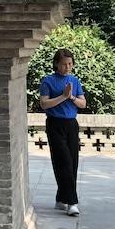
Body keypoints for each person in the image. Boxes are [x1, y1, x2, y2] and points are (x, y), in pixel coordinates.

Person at [38, 48, 85, 216]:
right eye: (64, 64)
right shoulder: (48, 81)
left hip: (71, 124)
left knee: (72, 163)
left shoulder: (75, 81)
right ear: (56, 64)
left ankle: (61, 198)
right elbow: (44, 104)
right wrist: (64, 96)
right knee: (63, 161)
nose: (67, 67)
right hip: (55, 124)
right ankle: (72, 202)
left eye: (70, 64)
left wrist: (71, 97)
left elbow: (82, 104)